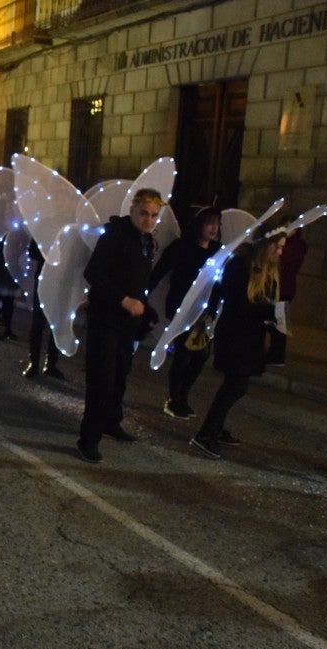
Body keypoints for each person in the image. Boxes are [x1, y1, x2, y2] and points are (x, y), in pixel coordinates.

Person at [76, 188, 163, 463]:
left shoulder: (146, 240)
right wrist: (122, 299)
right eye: (144, 214)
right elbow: (93, 273)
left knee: (120, 374)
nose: (149, 220)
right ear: (132, 210)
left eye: (154, 215)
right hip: (105, 318)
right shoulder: (115, 235)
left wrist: (144, 308)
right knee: (101, 378)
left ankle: (111, 422)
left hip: (129, 322)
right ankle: (88, 439)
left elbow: (138, 279)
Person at [190, 223, 287, 459]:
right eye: (278, 247)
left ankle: (216, 427)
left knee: (236, 386)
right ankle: (205, 434)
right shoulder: (242, 265)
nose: (280, 252)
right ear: (266, 245)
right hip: (236, 334)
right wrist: (267, 313)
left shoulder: (266, 268)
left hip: (250, 336)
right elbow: (235, 300)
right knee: (234, 386)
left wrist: (276, 319)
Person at [148, 206, 222, 418]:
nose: (214, 228)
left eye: (217, 223)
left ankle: (183, 395)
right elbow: (159, 272)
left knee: (201, 355)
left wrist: (214, 308)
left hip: (205, 311)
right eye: (209, 222)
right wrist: (141, 295)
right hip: (182, 308)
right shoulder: (181, 247)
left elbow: (218, 282)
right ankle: (173, 398)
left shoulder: (217, 250)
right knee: (183, 354)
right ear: (199, 225)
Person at [266, 218, 307, 366]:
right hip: (276, 287)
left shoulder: (296, 245)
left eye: (292, 227)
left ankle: (277, 356)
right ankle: (273, 353)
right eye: (285, 226)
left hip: (284, 289)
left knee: (279, 323)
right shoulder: (283, 242)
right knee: (273, 322)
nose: (288, 229)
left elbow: (283, 260)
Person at [23, 238, 64, 379]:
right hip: (44, 279)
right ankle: (34, 362)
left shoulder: (72, 228)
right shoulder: (45, 224)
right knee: (38, 323)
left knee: (58, 324)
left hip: (63, 281)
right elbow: (33, 251)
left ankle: (51, 363)